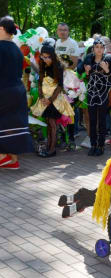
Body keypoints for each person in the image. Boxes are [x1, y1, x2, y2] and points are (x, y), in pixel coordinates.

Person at [77, 38, 111, 156]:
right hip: (91, 94)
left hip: (103, 94)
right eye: (97, 47)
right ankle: (93, 145)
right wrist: (86, 71)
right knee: (92, 120)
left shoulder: (108, 60)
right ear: (93, 48)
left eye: (101, 47)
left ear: (104, 49)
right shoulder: (89, 59)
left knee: (101, 121)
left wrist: (106, 70)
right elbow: (80, 71)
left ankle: (101, 146)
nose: (99, 49)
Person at [0, 16, 33, 170]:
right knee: (12, 124)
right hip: (17, 91)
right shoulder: (16, 49)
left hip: (4, 90)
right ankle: (13, 160)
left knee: (5, 123)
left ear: (1, 29)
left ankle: (2, 157)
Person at [32, 44, 75, 157]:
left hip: (55, 100)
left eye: (47, 57)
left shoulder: (58, 66)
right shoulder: (43, 65)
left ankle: (52, 149)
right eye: (43, 57)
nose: (45, 59)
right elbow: (40, 82)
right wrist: (41, 97)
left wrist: (50, 100)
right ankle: (48, 147)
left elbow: (60, 86)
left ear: (53, 56)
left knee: (52, 123)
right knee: (48, 122)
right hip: (44, 99)